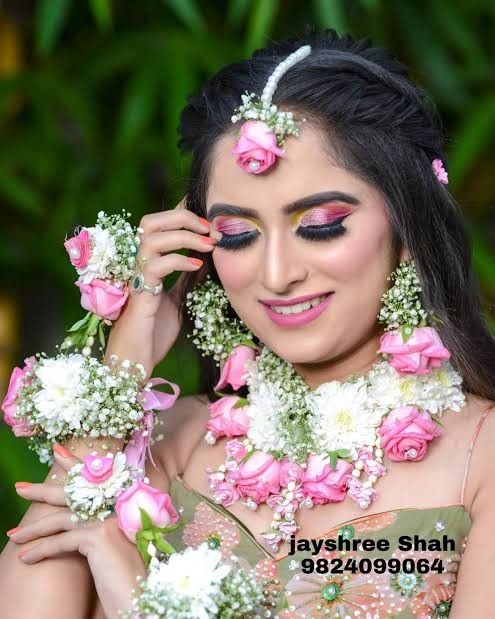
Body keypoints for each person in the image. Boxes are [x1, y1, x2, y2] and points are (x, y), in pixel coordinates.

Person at [1, 28, 495, 618]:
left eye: (321, 224)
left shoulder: (479, 456)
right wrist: (121, 373)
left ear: (407, 229)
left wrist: (140, 600)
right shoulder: (170, 444)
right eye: (238, 234)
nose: (278, 274)